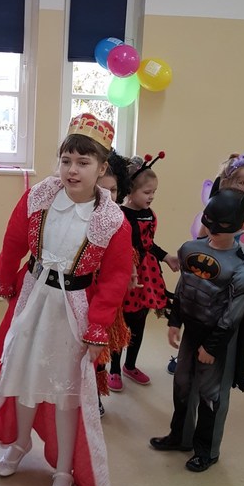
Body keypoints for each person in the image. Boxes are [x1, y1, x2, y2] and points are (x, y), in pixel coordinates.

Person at [0, 113, 133, 486]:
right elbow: (13, 240)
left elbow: (115, 280)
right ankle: (20, 442)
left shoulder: (112, 221)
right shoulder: (40, 197)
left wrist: (98, 329)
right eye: (66, 160)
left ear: (102, 168)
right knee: (23, 373)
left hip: (72, 313)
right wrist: (5, 278)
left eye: (83, 162)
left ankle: (63, 468)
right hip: (33, 300)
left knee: (66, 392)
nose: (72, 170)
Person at [150, 184, 244, 472]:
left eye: (221, 227)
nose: (212, 231)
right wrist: (175, 321)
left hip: (218, 340)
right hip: (192, 330)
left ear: (241, 228)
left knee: (211, 396)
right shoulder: (190, 249)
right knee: (183, 385)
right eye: (209, 223)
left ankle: (207, 451)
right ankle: (180, 437)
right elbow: (184, 287)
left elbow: (233, 315)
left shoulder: (243, 269)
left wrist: (212, 346)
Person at [167, 153, 244, 385]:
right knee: (204, 316)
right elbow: (202, 236)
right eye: (242, 182)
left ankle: (233, 367)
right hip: (214, 270)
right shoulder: (219, 207)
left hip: (241, 270)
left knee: (234, 321)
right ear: (228, 181)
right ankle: (186, 357)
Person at [108, 152, 179, 391]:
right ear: (130, 191)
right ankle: (114, 369)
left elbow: (148, 245)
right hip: (125, 275)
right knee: (121, 324)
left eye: (154, 192)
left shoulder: (151, 215)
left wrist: (166, 257)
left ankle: (130, 365)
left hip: (146, 276)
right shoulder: (120, 215)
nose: (151, 197)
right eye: (147, 192)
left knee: (139, 323)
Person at [95, 150, 132, 417]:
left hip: (106, 299)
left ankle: (94, 394)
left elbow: (124, 258)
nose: (109, 197)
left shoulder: (120, 220)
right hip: (80, 293)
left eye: (114, 191)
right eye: (102, 190)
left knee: (100, 351)